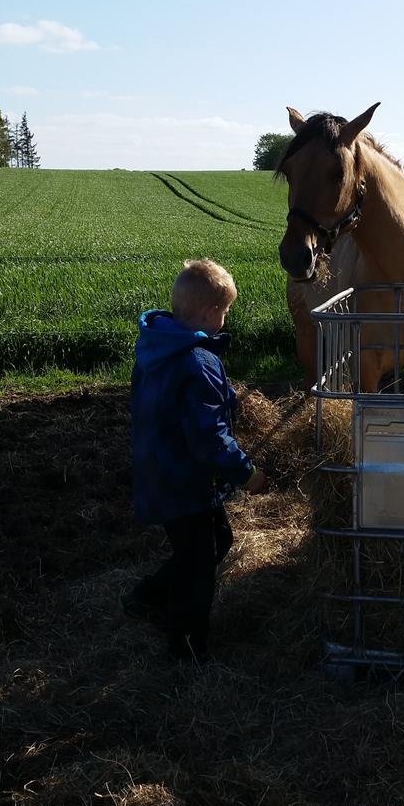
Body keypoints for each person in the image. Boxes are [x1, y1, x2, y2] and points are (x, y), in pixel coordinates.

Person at [122, 258, 266, 661]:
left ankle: (148, 596)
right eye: (225, 312)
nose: (225, 319)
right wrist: (247, 473)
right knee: (198, 565)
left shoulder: (158, 347)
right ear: (209, 313)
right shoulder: (198, 362)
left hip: (157, 467)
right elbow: (210, 438)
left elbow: (178, 407)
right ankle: (185, 648)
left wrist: (226, 396)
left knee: (216, 540)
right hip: (185, 479)